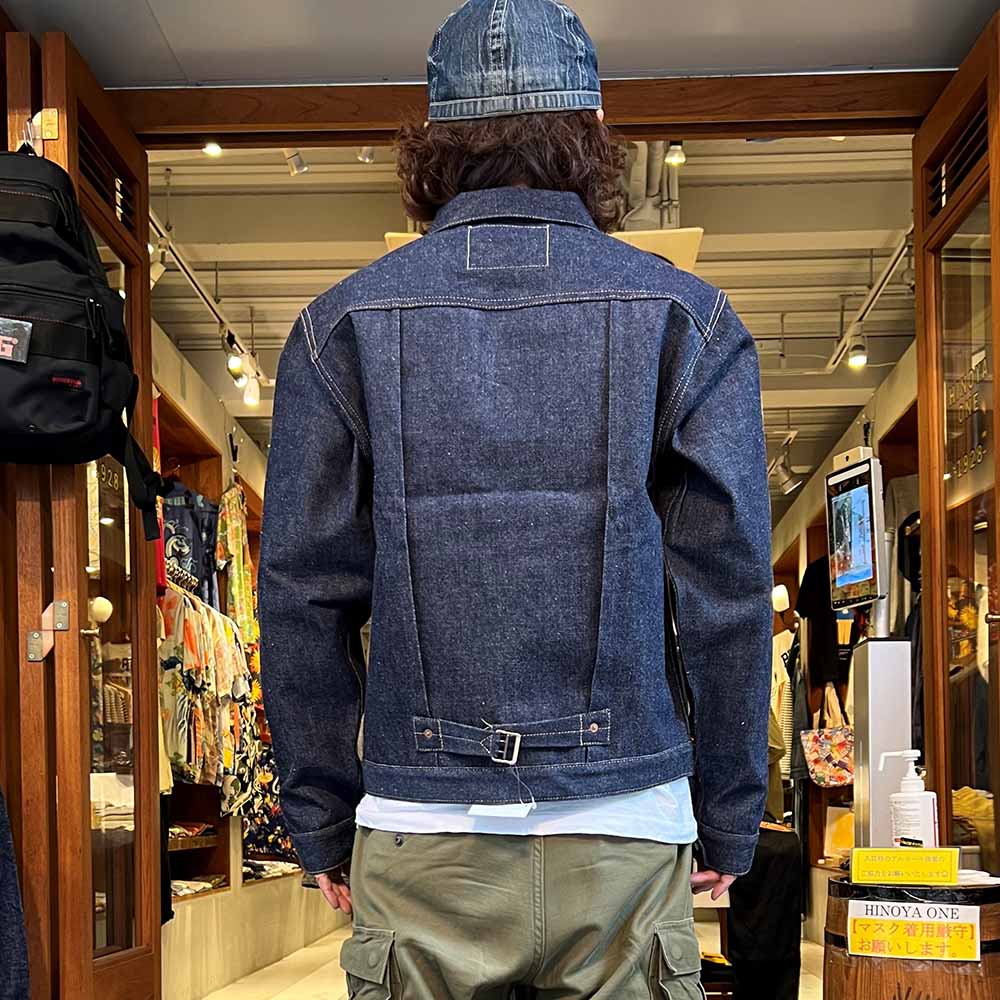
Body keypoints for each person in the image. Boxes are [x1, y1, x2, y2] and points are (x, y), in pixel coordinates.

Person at [259, 2, 772, 996]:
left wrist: (318, 815)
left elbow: (302, 595)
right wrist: (728, 810)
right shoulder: (686, 317)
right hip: (624, 820)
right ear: (592, 135)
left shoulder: (339, 325)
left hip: (420, 830)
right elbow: (728, 589)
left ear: (431, 146)